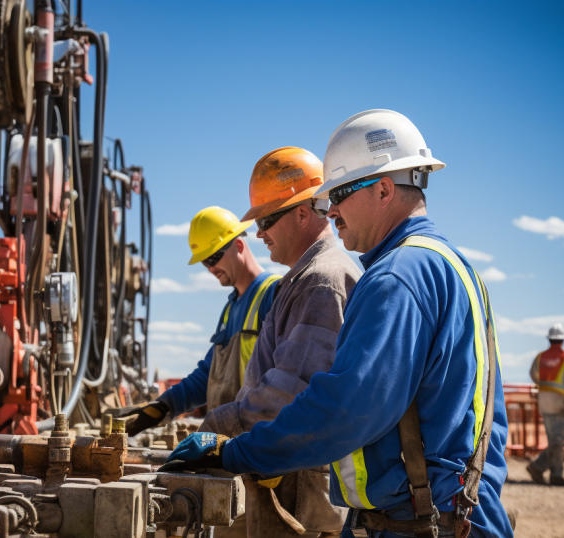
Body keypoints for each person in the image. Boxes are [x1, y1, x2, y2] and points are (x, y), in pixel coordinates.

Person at [162, 110, 513, 538]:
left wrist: (238, 452)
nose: (330, 210)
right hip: (452, 514)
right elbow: (492, 426)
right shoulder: (453, 267)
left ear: (384, 189)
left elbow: (346, 409)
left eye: (340, 194)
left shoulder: (397, 277)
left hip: (419, 523)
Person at [201, 147, 361, 537]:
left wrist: (217, 427)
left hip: (304, 483)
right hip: (289, 471)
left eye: (267, 219)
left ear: (303, 213)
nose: (259, 233)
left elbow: (291, 391)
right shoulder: (304, 278)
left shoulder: (320, 282)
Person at [122, 206, 280, 435]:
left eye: (214, 257)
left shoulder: (273, 294)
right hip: (227, 440)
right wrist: (165, 405)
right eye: (205, 262)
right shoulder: (230, 309)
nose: (211, 268)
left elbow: (286, 379)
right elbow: (209, 375)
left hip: (256, 442)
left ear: (239, 245)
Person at [526, 323, 564, 487]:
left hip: (544, 402)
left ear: (549, 339)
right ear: (563, 340)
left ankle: (553, 473)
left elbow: (533, 375)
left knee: (555, 440)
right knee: (558, 442)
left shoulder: (540, 357)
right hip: (561, 403)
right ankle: (541, 468)